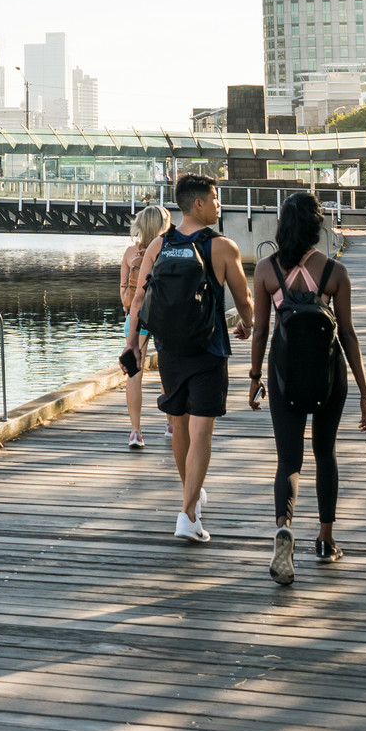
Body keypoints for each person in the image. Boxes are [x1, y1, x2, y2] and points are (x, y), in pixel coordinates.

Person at [248, 192, 366, 584]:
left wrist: (254, 378)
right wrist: (365, 394)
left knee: (289, 460)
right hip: (329, 375)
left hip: (284, 375)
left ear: (283, 227)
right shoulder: (334, 272)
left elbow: (260, 331)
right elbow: (349, 335)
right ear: (317, 226)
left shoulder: (266, 270)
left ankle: (284, 526)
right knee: (325, 453)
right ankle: (325, 541)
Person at [122, 173, 256, 542]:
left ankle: (191, 500)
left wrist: (133, 343)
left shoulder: (158, 246)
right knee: (201, 432)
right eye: (215, 198)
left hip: (169, 351)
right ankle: (187, 513)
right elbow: (244, 301)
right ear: (198, 203)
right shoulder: (222, 247)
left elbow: (138, 301)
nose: (219, 204)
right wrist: (249, 325)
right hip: (208, 350)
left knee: (179, 424)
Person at [118, 203, 169, 449]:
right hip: (163, 315)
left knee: (134, 374)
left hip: (136, 316)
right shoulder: (168, 249)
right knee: (168, 368)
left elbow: (124, 291)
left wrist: (129, 311)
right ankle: (171, 422)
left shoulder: (129, 252)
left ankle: (136, 431)